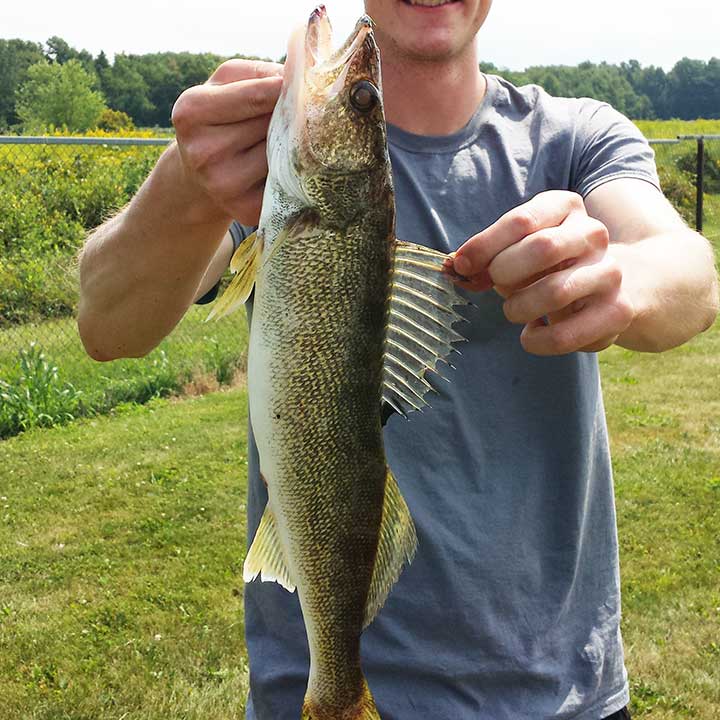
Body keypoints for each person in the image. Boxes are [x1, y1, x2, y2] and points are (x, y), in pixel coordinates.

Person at [78, 1, 719, 718]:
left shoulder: (575, 139)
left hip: (557, 693)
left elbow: (690, 275)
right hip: (307, 692)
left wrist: (620, 282)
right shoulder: (261, 165)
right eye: (362, 98)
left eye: (359, 98)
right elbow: (108, 326)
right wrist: (187, 188)